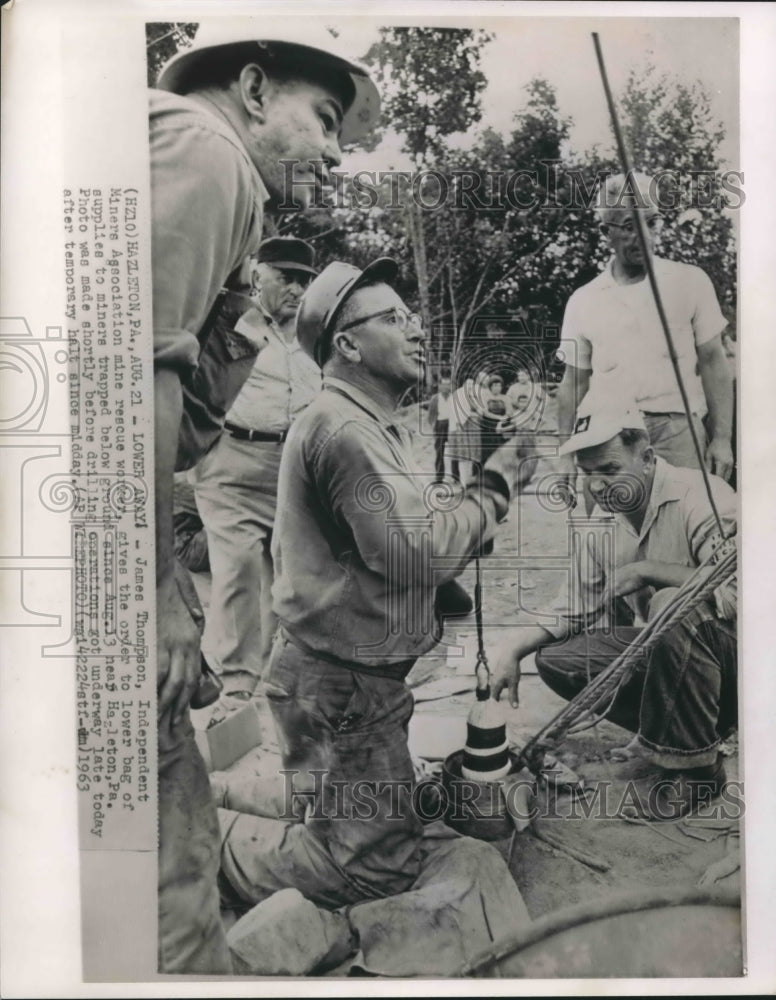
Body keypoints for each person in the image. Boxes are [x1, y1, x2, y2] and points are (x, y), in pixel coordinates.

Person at [149, 23, 379, 974]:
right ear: (252, 86)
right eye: (325, 117)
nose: (333, 148)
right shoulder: (209, 154)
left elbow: (182, 407)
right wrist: (155, 590)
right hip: (107, 556)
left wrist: (238, 319)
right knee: (170, 873)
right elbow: (120, 380)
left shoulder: (193, 163)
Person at [216, 257, 531, 924]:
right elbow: (415, 552)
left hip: (337, 680)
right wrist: (494, 490)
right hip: (342, 687)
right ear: (348, 345)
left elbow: (402, 535)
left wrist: (473, 503)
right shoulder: (345, 429)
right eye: (393, 319)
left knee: (335, 804)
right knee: (371, 871)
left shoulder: (366, 421)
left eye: (412, 317)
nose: (416, 330)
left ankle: (220, 798)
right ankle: (204, 841)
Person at [493, 389, 737, 820]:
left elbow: (747, 591)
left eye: (609, 468)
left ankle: (697, 771)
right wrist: (513, 648)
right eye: (588, 473)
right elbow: (574, 605)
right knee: (559, 658)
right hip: (680, 668)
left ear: (646, 456)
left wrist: (650, 571)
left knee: (669, 603)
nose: (598, 484)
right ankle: (672, 732)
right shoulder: (602, 520)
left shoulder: (702, 496)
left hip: (743, 665)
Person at [194, 237, 321, 706]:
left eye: (305, 279)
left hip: (292, 467)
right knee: (238, 568)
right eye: (286, 276)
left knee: (291, 576)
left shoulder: (314, 335)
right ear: (257, 274)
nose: (296, 288)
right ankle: (235, 683)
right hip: (233, 458)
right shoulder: (226, 321)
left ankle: (273, 672)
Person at [557, 172, 735, 505]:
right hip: (607, 435)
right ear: (605, 232)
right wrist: (565, 453)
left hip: (678, 432)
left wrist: (722, 438)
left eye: (651, 222)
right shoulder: (584, 299)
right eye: (627, 225)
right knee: (609, 543)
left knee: (686, 532)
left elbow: (714, 362)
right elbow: (572, 383)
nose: (643, 235)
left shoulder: (690, 282)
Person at [427, 375, 453, 481]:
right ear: (440, 386)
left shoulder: (454, 398)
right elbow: (431, 415)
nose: (446, 387)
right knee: (440, 451)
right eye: (444, 384)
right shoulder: (435, 398)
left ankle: (456, 476)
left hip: (452, 425)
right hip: (440, 424)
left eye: (448, 385)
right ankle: (439, 476)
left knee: (455, 451)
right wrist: (433, 426)